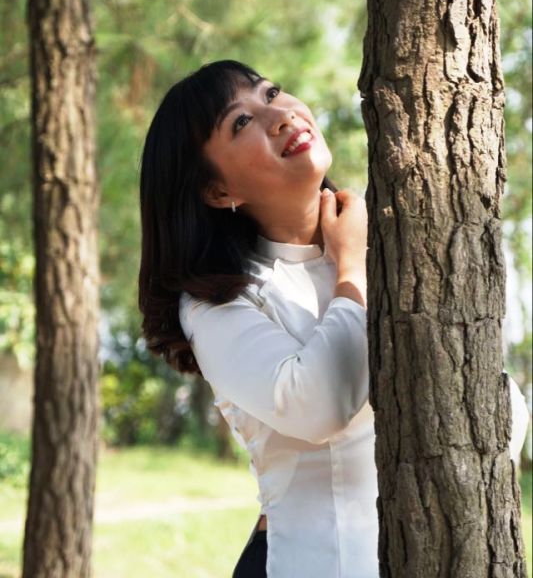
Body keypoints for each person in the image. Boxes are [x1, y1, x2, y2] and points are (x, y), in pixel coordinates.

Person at [138, 59, 529, 578]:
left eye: (271, 92)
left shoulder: (398, 245)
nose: (280, 115)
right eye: (241, 121)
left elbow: (491, 413)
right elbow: (319, 406)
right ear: (218, 192)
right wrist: (352, 268)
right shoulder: (217, 301)